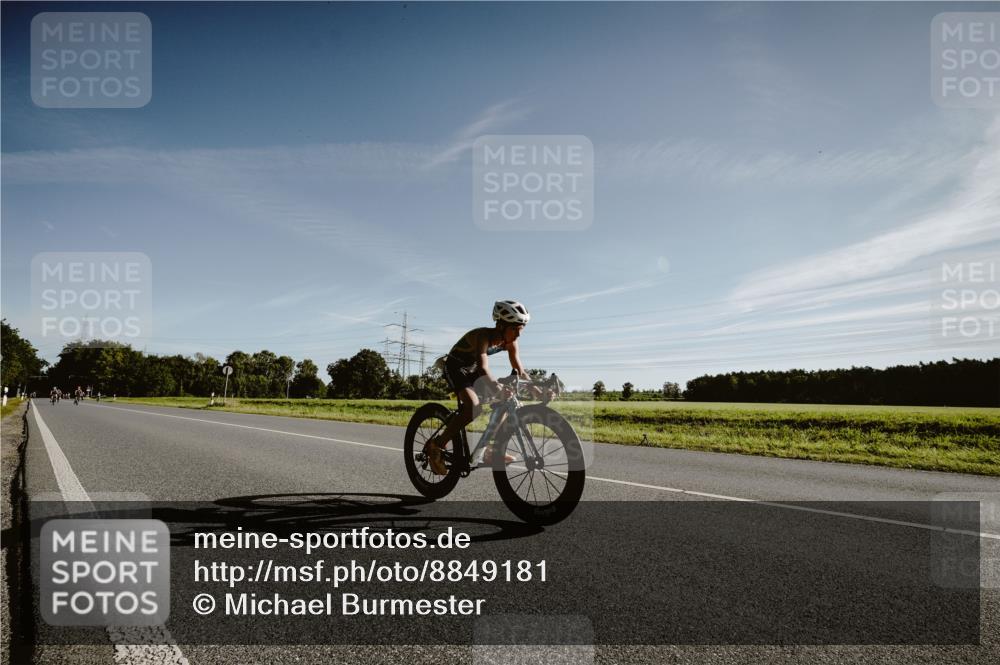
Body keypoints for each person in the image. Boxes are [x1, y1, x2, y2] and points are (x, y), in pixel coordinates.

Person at [424, 300, 533, 475]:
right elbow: (483, 368)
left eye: (521, 330)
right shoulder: (483, 335)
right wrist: (496, 388)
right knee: (473, 408)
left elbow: (520, 370)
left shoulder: (510, 341)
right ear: (500, 325)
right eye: (515, 329)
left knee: (505, 401)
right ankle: (437, 445)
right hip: (455, 367)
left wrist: (536, 388)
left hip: (472, 370)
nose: (518, 335)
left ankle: (491, 450)